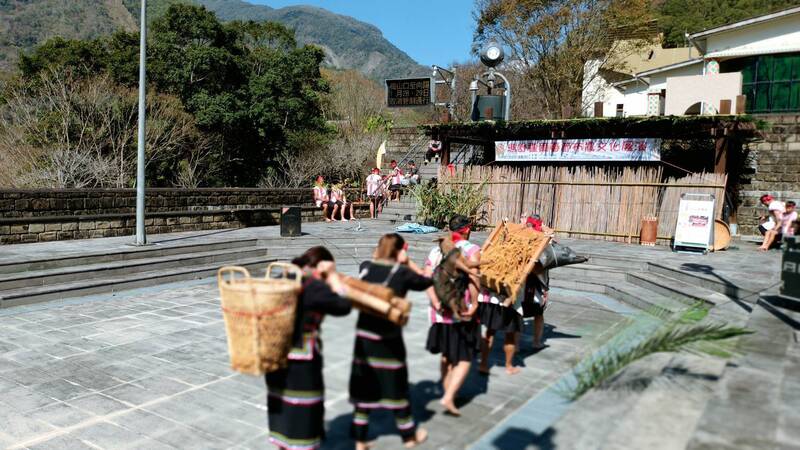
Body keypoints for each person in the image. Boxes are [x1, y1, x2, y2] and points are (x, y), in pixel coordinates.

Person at [349, 234, 431, 449]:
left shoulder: (366, 268)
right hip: (389, 342)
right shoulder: (402, 273)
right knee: (397, 389)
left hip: (364, 341)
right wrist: (407, 261)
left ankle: (360, 441)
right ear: (400, 251)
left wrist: (381, 255)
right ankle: (409, 437)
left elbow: (371, 262)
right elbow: (426, 280)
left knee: (363, 391)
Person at [266, 246, 352, 450]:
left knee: (283, 404)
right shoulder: (314, 286)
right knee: (302, 409)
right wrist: (334, 280)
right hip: (301, 362)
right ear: (321, 265)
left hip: (276, 353)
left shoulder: (284, 276)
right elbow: (343, 306)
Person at [423, 223, 481, 417]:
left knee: (446, 355)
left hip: (439, 313)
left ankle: (448, 392)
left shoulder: (435, 251)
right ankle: (449, 397)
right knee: (465, 358)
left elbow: (427, 278)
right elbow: (474, 279)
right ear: (467, 230)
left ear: (450, 230)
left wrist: (435, 302)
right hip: (461, 313)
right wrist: (475, 304)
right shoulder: (472, 250)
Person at [471, 217, 523, 376]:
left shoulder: (493, 250)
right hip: (507, 301)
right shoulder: (520, 256)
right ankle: (508, 366)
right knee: (509, 335)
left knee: (489, 332)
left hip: (490, 299)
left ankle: (483, 364)